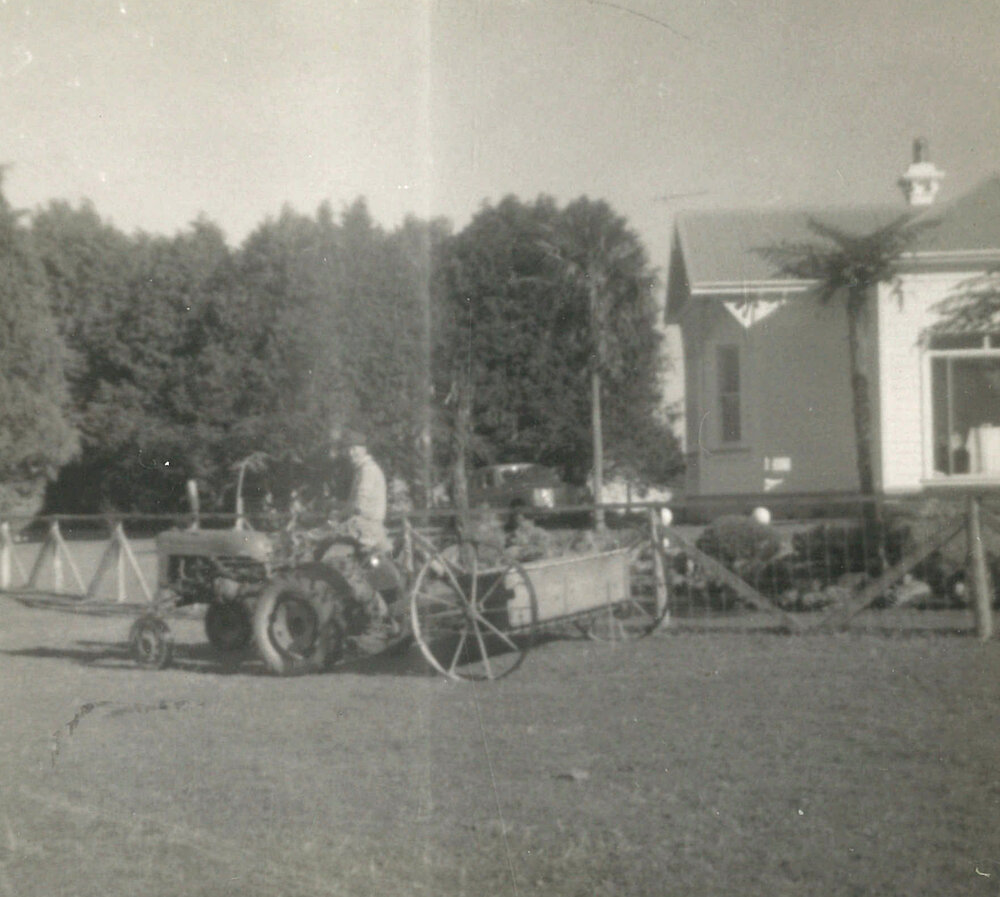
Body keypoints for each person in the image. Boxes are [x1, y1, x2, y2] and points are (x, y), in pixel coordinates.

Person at [329, 428, 391, 554]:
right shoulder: (362, 469)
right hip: (365, 525)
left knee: (327, 542)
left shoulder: (368, 470)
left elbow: (359, 505)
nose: (351, 453)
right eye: (348, 449)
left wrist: (339, 515)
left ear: (364, 449)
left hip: (366, 527)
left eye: (354, 449)